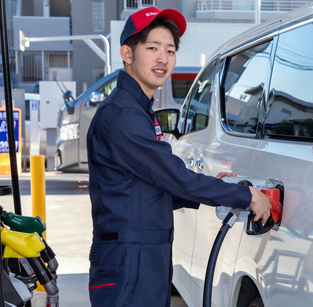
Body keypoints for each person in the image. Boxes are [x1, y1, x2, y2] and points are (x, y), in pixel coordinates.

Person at [86, 6, 272, 307]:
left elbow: (147, 188)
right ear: (127, 53)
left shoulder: (136, 111)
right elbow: (174, 176)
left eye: (170, 50)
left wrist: (214, 187)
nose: (163, 59)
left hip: (140, 259)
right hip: (129, 262)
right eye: (152, 48)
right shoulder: (124, 117)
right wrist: (244, 196)